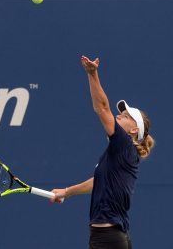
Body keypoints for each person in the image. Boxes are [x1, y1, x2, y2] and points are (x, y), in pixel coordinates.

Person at [51, 55, 155, 249]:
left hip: (108, 238)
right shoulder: (120, 154)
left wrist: (92, 74)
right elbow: (98, 181)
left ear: (133, 131)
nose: (118, 116)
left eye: (124, 116)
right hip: (112, 237)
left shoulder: (124, 143)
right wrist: (67, 192)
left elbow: (102, 107)